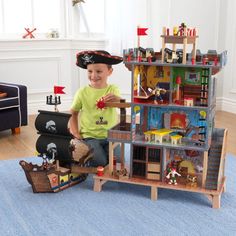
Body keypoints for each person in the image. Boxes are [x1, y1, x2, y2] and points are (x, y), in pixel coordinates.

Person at [69, 50, 123, 167]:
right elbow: (73, 113)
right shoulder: (82, 92)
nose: (93, 75)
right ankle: (87, 155)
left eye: (98, 71)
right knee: (100, 162)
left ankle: (100, 154)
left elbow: (121, 104)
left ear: (110, 71)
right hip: (90, 136)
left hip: (111, 135)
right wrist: (75, 132)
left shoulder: (113, 89)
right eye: (90, 71)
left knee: (118, 161)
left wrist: (117, 99)